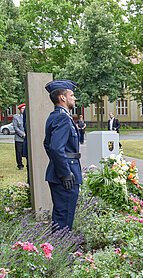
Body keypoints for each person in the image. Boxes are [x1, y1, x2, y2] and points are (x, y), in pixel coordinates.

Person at [43, 79, 82, 232]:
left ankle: (58, 251)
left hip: (63, 171)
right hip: (66, 175)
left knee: (62, 216)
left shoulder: (55, 116)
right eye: (72, 95)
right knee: (64, 218)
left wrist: (57, 164)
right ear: (63, 98)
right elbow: (55, 148)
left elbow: (48, 145)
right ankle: (62, 253)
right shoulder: (62, 117)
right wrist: (65, 173)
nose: (75, 98)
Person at [13, 104, 26, 170]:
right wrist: (22, 134)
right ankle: (20, 165)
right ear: (19, 109)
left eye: (25, 108)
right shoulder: (16, 117)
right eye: (22, 108)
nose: (24, 110)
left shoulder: (27, 116)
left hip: (27, 138)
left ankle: (28, 164)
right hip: (19, 138)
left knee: (27, 151)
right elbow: (15, 127)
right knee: (19, 152)